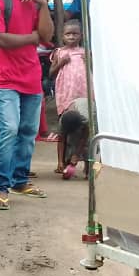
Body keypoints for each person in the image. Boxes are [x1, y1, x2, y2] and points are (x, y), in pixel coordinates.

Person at [0, 0, 53, 210]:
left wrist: (44, 5)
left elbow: (47, 37)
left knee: (27, 132)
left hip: (32, 77)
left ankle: (20, 180)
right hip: (6, 79)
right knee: (9, 129)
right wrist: (31, 38)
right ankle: (1, 186)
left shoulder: (35, 2)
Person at [49, 19, 88, 178]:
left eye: (75, 34)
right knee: (63, 129)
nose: (71, 37)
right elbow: (51, 73)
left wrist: (89, 62)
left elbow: (93, 71)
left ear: (81, 35)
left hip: (83, 94)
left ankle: (86, 164)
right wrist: (60, 63)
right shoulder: (59, 53)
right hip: (66, 95)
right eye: (68, 34)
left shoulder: (85, 53)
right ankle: (61, 163)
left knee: (85, 126)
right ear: (62, 36)